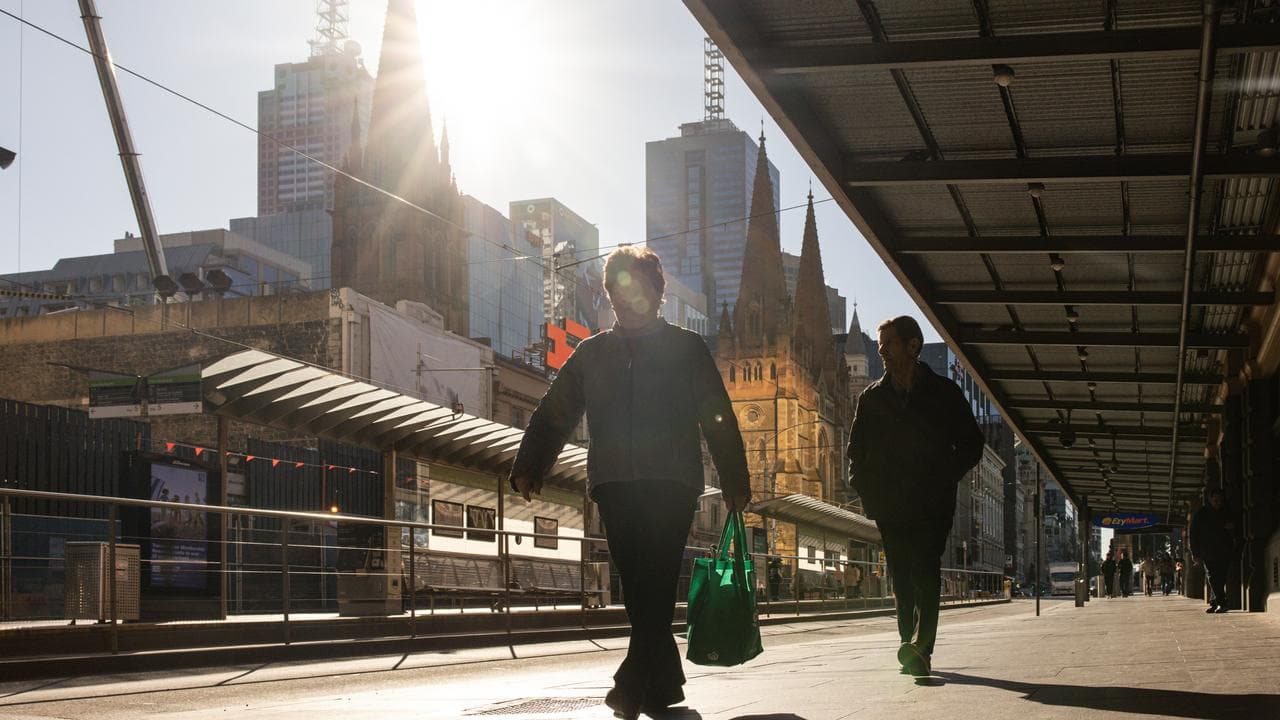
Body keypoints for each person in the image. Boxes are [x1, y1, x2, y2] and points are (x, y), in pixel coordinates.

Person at [508, 246, 750, 720]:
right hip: (615, 484)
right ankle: (662, 686)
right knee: (639, 588)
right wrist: (530, 464)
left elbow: (718, 417)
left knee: (655, 580)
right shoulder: (592, 353)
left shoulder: (686, 348)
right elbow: (554, 412)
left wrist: (735, 479)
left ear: (657, 293)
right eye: (615, 289)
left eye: (634, 287)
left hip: (671, 483)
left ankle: (629, 683)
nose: (623, 298)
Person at [846, 315, 984, 677]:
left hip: (931, 502)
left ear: (913, 345)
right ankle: (908, 642)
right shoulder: (871, 398)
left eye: (889, 343)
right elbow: (855, 452)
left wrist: (945, 476)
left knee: (925, 570)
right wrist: (866, 488)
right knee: (901, 578)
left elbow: (972, 444)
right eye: (880, 345)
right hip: (889, 505)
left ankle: (921, 648)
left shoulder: (944, 392)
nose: (882, 351)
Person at [1190, 487, 1236, 614]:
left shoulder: (1227, 512)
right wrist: (1195, 553)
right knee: (1212, 577)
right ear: (1210, 499)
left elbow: (1235, 526)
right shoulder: (1202, 514)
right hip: (1208, 552)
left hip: (1225, 550)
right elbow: (1193, 534)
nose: (1218, 503)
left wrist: (1231, 527)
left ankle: (1215, 602)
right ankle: (1222, 603)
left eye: (1220, 501)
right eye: (1215, 500)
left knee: (1220, 578)